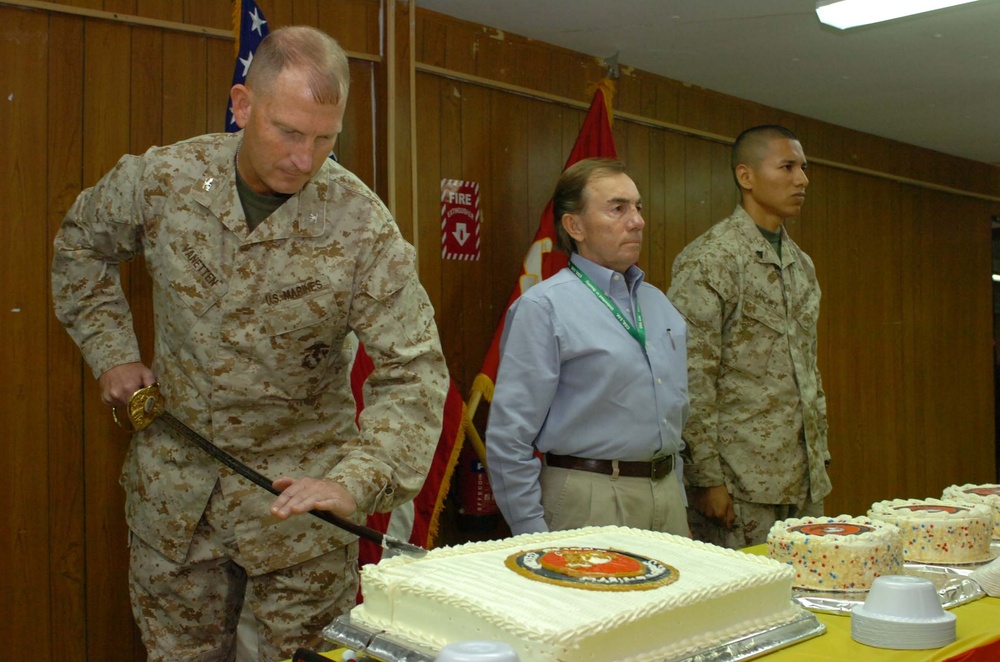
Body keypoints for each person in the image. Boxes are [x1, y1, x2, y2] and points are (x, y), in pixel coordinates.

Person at [51, 26, 449, 661]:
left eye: (325, 138)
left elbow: (414, 371)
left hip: (298, 520)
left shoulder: (362, 227)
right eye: (287, 132)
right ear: (242, 105)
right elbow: (79, 243)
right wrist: (113, 352)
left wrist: (356, 482)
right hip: (174, 505)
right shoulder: (166, 179)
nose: (304, 158)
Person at [485, 157, 690, 537]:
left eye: (638, 207)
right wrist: (530, 531)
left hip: (667, 494)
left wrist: (675, 494)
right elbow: (509, 438)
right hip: (589, 497)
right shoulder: (543, 307)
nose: (638, 221)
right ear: (574, 226)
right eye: (618, 208)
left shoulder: (660, 305)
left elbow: (675, 415)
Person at [667, 125, 831, 549]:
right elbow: (690, 376)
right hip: (738, 484)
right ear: (746, 176)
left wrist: (819, 458)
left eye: (804, 168)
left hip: (803, 479)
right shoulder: (711, 259)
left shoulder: (801, 264)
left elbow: (808, 370)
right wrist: (705, 478)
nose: (802, 180)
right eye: (787, 167)